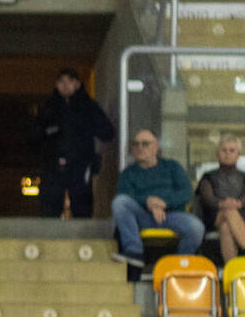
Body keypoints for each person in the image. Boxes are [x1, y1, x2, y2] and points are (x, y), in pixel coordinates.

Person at [111, 129, 205, 265]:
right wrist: (148, 202)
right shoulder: (127, 173)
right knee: (120, 202)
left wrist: (163, 203)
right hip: (142, 217)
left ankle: (181, 263)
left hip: (171, 215)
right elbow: (124, 195)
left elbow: (186, 192)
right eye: (136, 144)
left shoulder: (172, 167)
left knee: (196, 227)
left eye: (145, 144)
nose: (139, 147)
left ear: (156, 147)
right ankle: (134, 251)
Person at [31, 67, 114, 219]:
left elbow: (108, 133)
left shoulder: (88, 107)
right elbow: (34, 136)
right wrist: (51, 132)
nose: (65, 85)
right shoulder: (48, 108)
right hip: (52, 165)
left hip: (80, 165)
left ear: (77, 84)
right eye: (61, 82)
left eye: (70, 81)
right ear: (56, 84)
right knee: (49, 211)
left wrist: (85, 129)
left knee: (82, 210)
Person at [196, 134, 245, 262]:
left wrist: (239, 203)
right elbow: (208, 199)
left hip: (241, 217)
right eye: (224, 150)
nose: (227, 154)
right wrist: (224, 203)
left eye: (232, 150)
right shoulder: (207, 176)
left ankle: (231, 269)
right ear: (217, 153)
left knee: (226, 227)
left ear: (238, 154)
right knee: (228, 211)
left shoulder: (244, 176)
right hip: (214, 216)